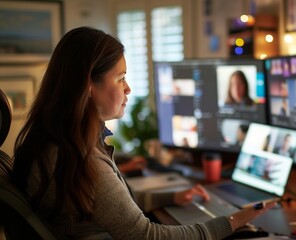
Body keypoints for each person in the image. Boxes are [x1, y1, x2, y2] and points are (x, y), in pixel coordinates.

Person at [11, 26, 274, 239]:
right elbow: (146, 235)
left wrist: (171, 196)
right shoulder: (82, 160)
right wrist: (233, 221)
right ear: (88, 85)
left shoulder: (55, 141)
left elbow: (111, 208)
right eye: (120, 77)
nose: (128, 89)